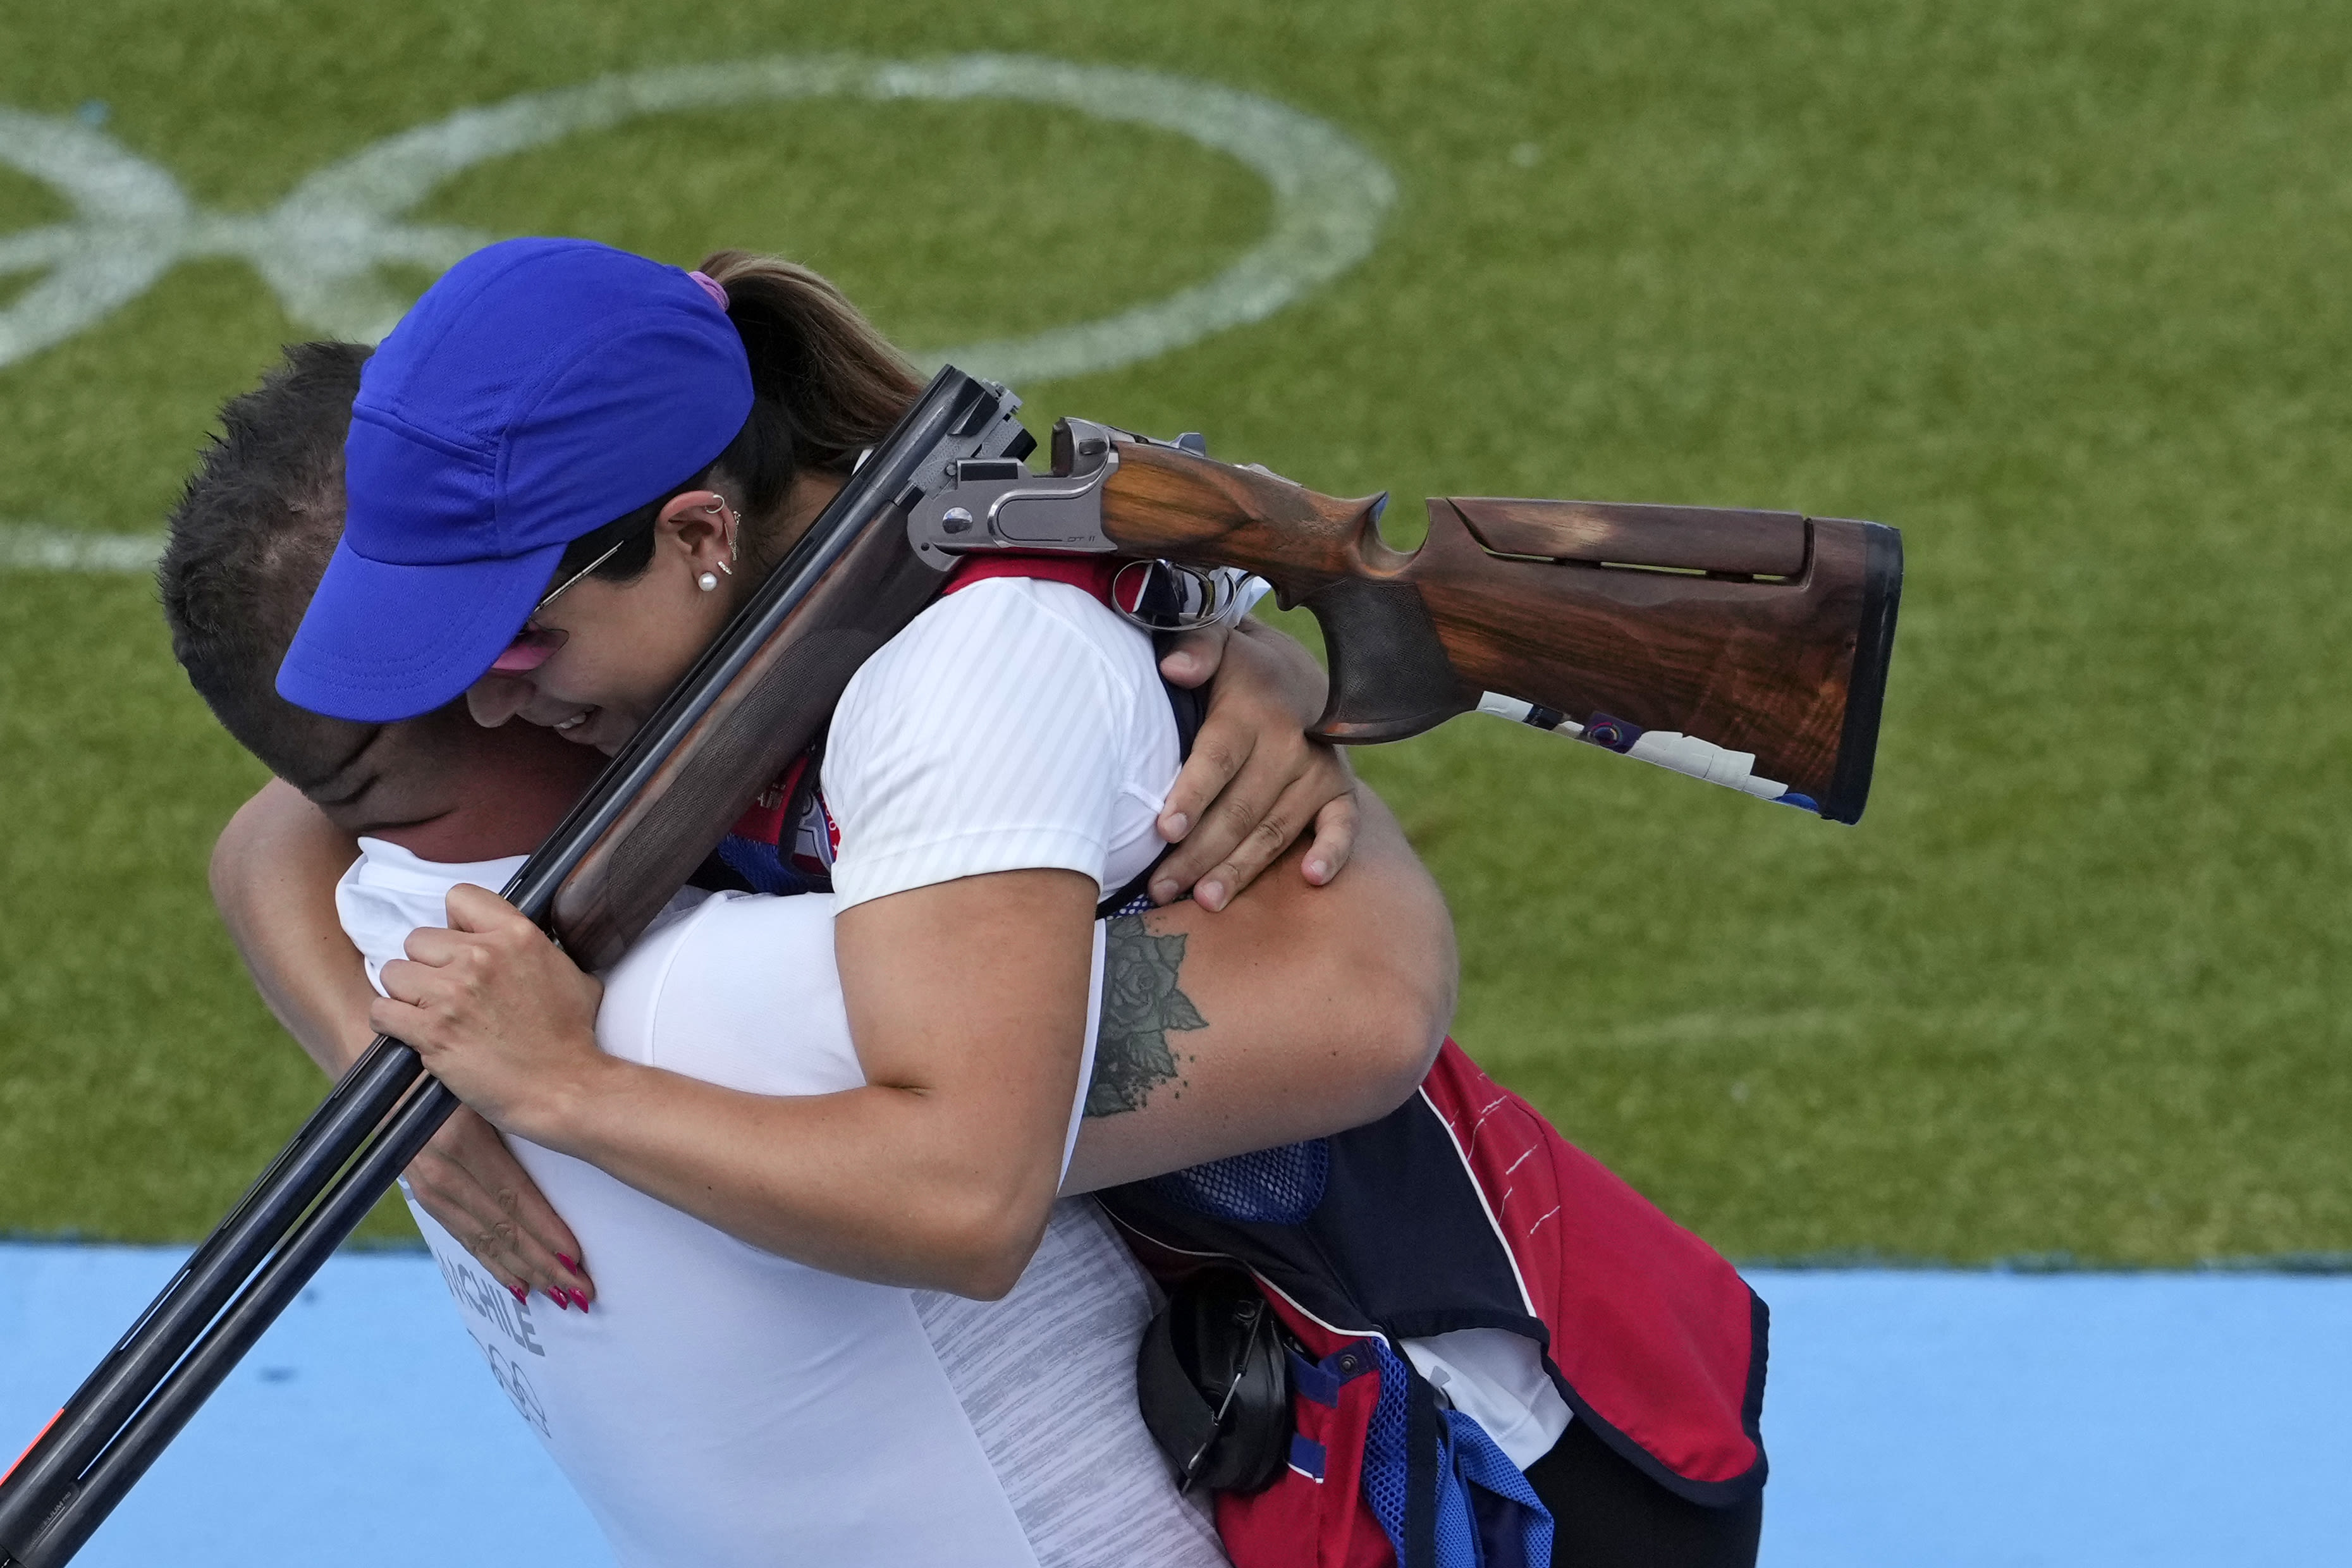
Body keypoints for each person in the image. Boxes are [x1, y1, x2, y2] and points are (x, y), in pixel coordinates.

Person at [212, 245, 1768, 1565]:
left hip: (1494, 1459)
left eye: (516, 645)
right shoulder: (744, 589)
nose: (481, 714)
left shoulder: (960, 687)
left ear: (694, 536)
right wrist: (390, 1066)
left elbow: (963, 1199)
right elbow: (280, 821)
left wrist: (562, 1083)